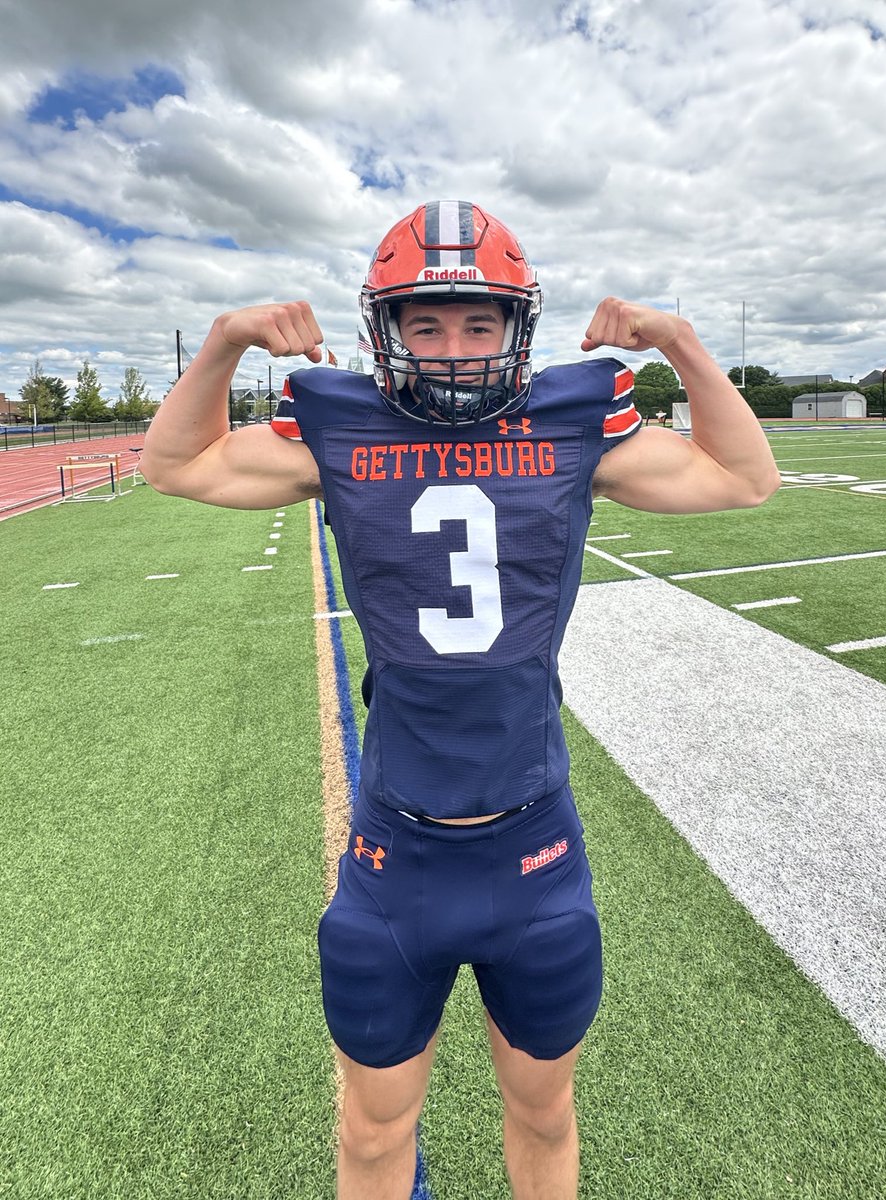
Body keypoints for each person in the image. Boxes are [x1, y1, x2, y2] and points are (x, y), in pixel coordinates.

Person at [141, 200, 780, 1200]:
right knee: (369, 1137)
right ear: (384, 333)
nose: (451, 348)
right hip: (395, 857)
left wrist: (681, 345)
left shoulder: (578, 424)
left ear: (516, 329)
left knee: (542, 1113)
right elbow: (172, 464)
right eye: (424, 323)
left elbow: (744, 478)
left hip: (536, 850)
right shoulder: (337, 426)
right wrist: (225, 342)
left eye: (477, 323)